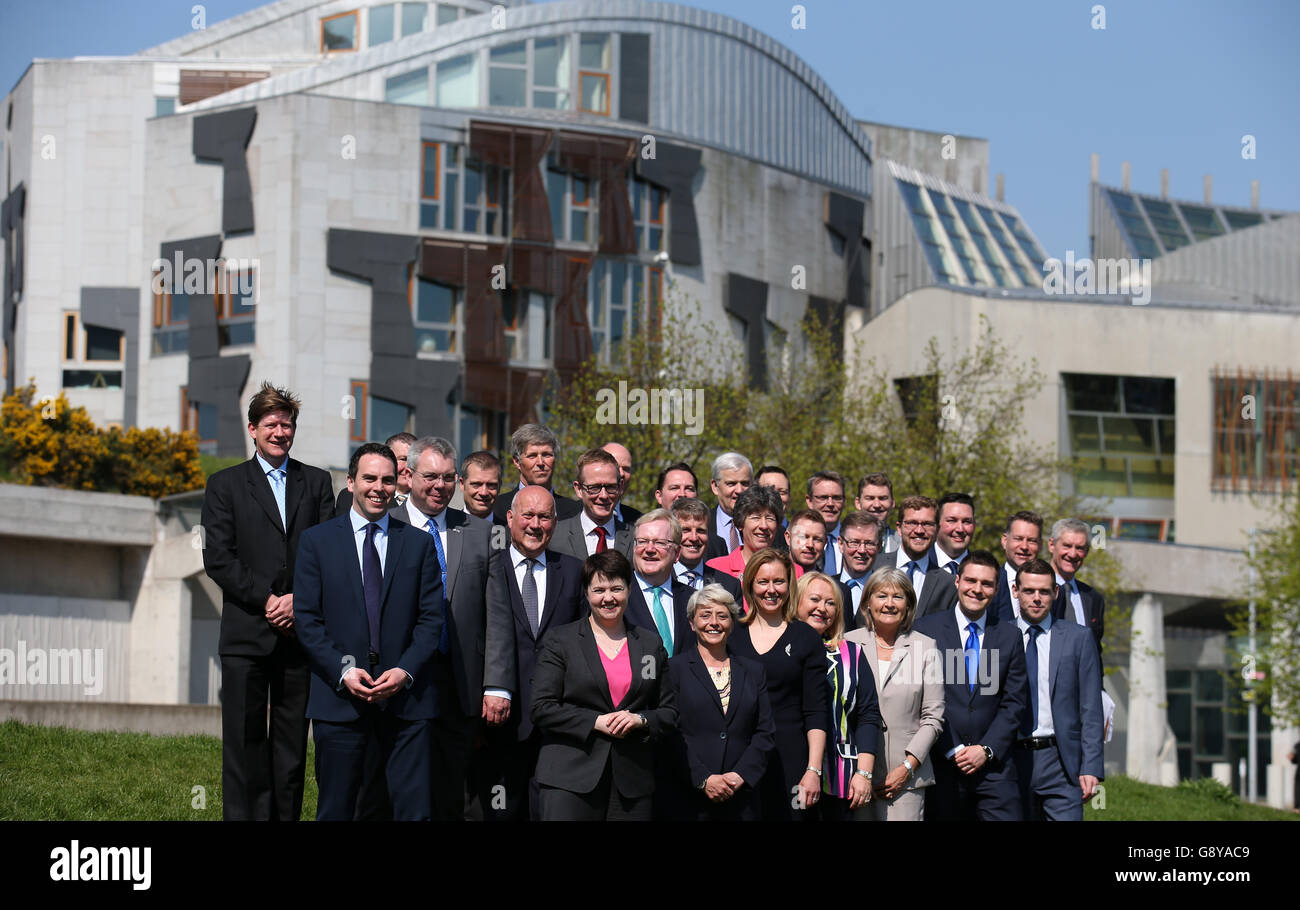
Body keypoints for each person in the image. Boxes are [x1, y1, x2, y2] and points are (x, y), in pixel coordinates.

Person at [200, 381, 334, 821]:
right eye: (272, 424)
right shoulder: (224, 485)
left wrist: (298, 601)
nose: (280, 432)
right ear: (254, 429)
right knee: (244, 744)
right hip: (246, 637)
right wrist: (269, 599)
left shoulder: (315, 483)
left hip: (300, 637)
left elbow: (329, 555)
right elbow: (219, 558)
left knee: (291, 748)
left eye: (287, 425)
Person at [293, 443, 444, 821]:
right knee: (337, 810)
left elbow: (431, 620)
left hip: (407, 704)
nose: (379, 487)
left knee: (413, 813)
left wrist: (405, 671)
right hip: (340, 701)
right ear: (350, 483)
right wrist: (343, 671)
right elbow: (308, 620)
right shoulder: (317, 542)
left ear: (399, 485)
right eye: (370, 478)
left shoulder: (419, 544)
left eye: (388, 480)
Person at [387, 436, 506, 821]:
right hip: (400, 679)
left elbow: (497, 616)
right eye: (430, 477)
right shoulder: (387, 527)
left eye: (448, 478)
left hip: (461, 683)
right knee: (403, 786)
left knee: (452, 791)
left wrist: (496, 684)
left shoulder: (481, 534)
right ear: (409, 475)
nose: (440, 486)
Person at [530, 550, 675, 820]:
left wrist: (640, 720)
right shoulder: (561, 641)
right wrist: (595, 722)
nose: (608, 598)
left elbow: (668, 712)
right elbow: (541, 708)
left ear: (630, 590)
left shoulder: (649, 644)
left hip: (631, 784)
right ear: (586, 593)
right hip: (569, 780)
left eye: (616, 588)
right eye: (599, 589)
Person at [475, 485, 586, 820]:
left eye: (544, 517)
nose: (535, 524)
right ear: (510, 518)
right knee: (499, 808)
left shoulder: (573, 570)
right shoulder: (485, 568)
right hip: (499, 717)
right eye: (528, 515)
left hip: (556, 721)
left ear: (555, 522)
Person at [914, 550, 1028, 821]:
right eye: (971, 581)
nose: (977, 589)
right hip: (941, 764)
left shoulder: (1009, 636)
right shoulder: (925, 630)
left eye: (986, 584)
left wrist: (986, 749)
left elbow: (1014, 702)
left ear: (997, 588)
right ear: (957, 581)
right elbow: (918, 698)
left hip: (994, 770)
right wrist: (952, 748)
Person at [727, 548, 829, 821]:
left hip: (793, 762)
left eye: (779, 581)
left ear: (789, 585)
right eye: (763, 582)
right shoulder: (731, 636)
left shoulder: (806, 637)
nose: (771, 590)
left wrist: (813, 770)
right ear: (750, 585)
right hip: (739, 763)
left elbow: (816, 710)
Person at [663, 584, 775, 820]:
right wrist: (703, 779)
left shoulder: (753, 671)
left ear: (732, 624)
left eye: (722, 616)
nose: (714, 622)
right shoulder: (674, 670)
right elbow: (669, 731)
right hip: (689, 798)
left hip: (742, 798)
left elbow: (765, 732)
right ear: (692, 624)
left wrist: (740, 776)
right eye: (705, 615)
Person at [845, 568, 945, 820]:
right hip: (854, 777)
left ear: (909, 604)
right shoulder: (848, 643)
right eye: (881, 596)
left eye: (898, 597)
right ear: (867, 601)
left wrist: (907, 767)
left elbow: (933, 717)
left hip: (906, 782)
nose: (889, 604)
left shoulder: (926, 647)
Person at [1012, 558, 1104, 821]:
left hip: (1062, 761)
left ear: (1055, 593)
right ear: (1015, 591)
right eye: (1029, 591)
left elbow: (1091, 707)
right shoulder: (999, 636)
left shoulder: (1079, 638)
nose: (1037, 598)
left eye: (1044, 591)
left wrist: (1091, 766)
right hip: (1012, 760)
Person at [794, 571, 881, 820]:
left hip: (841, 776)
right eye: (814, 599)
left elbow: (868, 715)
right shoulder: (780, 648)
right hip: (791, 769)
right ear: (797, 600)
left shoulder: (852, 654)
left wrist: (863, 773)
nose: (822, 608)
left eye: (830, 603)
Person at [869, 495, 957, 619]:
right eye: (912, 523)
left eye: (927, 524)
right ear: (899, 528)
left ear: (937, 530)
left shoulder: (948, 584)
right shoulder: (873, 566)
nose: (919, 530)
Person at [625, 509, 694, 658]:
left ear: (677, 553)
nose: (649, 549)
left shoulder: (694, 600)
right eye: (642, 541)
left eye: (660, 543)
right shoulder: (617, 596)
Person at [705, 485, 791, 600]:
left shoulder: (790, 569)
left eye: (770, 518)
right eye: (756, 517)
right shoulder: (715, 569)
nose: (763, 526)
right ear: (740, 523)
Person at [551, 448, 635, 560]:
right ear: (578, 489)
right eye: (594, 488)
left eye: (610, 487)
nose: (603, 495)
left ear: (620, 487)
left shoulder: (636, 539)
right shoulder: (553, 537)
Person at [491, 424, 580, 525]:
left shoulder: (575, 512)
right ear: (516, 461)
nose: (540, 463)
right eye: (532, 456)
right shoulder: (496, 509)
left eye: (547, 455)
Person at [1048, 517, 1105, 659]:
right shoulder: (1030, 589)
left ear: (1086, 552)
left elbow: (1095, 652)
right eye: (1067, 545)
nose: (1073, 554)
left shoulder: (1093, 598)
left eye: (1079, 548)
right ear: (1051, 545)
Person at [670, 497, 744, 603]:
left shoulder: (729, 586)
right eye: (686, 530)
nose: (694, 538)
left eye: (701, 531)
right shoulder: (659, 580)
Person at [335, 431, 413, 517]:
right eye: (403, 459)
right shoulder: (351, 497)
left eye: (414, 461)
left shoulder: (427, 501)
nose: (409, 467)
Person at [991, 510, 1043, 624]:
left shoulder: (1051, 591)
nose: (1024, 546)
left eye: (1032, 541)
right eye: (1018, 539)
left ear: (1040, 545)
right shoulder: (989, 584)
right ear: (1005, 541)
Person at [835, 511, 882, 626]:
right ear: (841, 544)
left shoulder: (886, 591)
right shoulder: (827, 586)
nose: (862, 550)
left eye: (869, 543)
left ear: (879, 546)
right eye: (854, 542)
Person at [706, 452, 753, 558]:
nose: (739, 490)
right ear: (715, 487)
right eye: (731, 484)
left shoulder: (769, 529)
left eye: (745, 483)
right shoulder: (702, 526)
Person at [806, 470, 847, 576]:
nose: (830, 504)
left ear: (844, 501)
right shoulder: (796, 542)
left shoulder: (855, 542)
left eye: (836, 498)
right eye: (823, 497)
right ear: (809, 501)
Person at [856, 471, 900, 554]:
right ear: (858, 503)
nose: (877, 505)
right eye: (870, 498)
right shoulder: (844, 542)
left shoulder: (903, 544)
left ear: (892, 503)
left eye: (883, 498)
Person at [933, 492, 976, 576]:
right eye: (951, 520)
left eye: (966, 522)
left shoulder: (984, 570)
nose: (960, 529)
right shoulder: (917, 564)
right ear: (937, 524)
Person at [601, 441, 642, 524]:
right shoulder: (571, 515)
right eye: (615, 466)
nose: (622, 473)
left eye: (626, 469)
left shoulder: (640, 522)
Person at [458, 450, 502, 520]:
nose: (484, 493)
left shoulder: (510, 530)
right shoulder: (444, 528)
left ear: (499, 487)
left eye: (491, 485)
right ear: (462, 484)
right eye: (476, 484)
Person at [785, 509, 829, 575]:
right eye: (803, 537)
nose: (810, 545)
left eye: (817, 539)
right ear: (788, 538)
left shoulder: (830, 585)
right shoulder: (770, 580)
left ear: (825, 543)